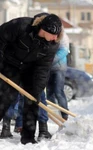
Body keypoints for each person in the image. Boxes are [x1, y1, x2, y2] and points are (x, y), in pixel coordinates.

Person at [0, 12, 63, 144]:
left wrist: (37, 90)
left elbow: (43, 69)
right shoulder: (21, 26)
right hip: (10, 63)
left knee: (33, 100)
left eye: (57, 35)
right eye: (53, 34)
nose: (55, 38)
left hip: (30, 69)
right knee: (6, 97)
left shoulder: (52, 44)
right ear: (44, 29)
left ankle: (28, 138)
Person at [46, 31, 70, 120]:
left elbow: (64, 50)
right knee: (49, 92)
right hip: (48, 68)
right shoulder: (47, 33)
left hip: (59, 68)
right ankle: (53, 113)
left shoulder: (62, 35)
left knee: (58, 91)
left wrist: (50, 60)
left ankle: (64, 114)